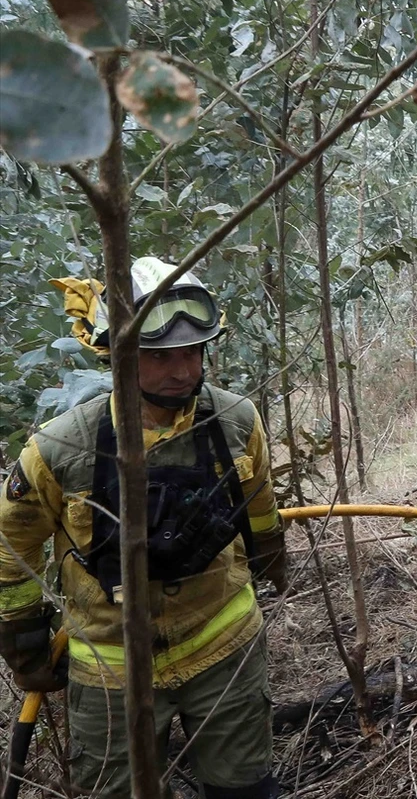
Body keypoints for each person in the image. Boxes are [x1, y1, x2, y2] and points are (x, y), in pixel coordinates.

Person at [0, 258, 287, 798]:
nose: (183, 371)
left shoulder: (236, 421)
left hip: (225, 645)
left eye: (192, 352)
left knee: (244, 789)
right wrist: (24, 641)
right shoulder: (60, 449)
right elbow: (10, 547)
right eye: (160, 356)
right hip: (110, 672)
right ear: (117, 355)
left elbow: (261, 508)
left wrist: (273, 557)